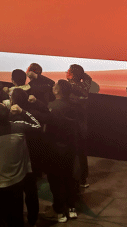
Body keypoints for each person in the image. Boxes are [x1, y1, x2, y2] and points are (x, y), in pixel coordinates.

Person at [0, 103, 41, 227]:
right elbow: (38, 126)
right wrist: (22, 111)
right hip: (16, 179)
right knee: (17, 213)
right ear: (8, 114)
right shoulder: (20, 126)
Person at [10, 88, 51, 226]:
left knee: (17, 192)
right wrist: (37, 102)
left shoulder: (9, 117)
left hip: (16, 160)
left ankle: (17, 221)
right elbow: (47, 114)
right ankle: (32, 220)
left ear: (13, 101)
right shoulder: (33, 114)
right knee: (31, 190)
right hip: (31, 160)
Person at [43, 80, 82, 223]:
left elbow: (46, 129)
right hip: (70, 148)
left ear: (57, 91)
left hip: (55, 149)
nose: (53, 87)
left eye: (55, 86)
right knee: (69, 178)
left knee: (55, 180)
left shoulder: (52, 106)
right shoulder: (74, 106)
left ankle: (59, 211)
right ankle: (71, 207)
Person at [67, 64, 91, 188]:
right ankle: (83, 179)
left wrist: (72, 79)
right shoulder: (85, 85)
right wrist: (79, 74)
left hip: (74, 126)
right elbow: (88, 77)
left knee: (75, 153)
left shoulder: (70, 88)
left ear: (72, 74)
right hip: (82, 126)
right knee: (82, 153)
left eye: (68, 71)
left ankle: (76, 179)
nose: (66, 72)